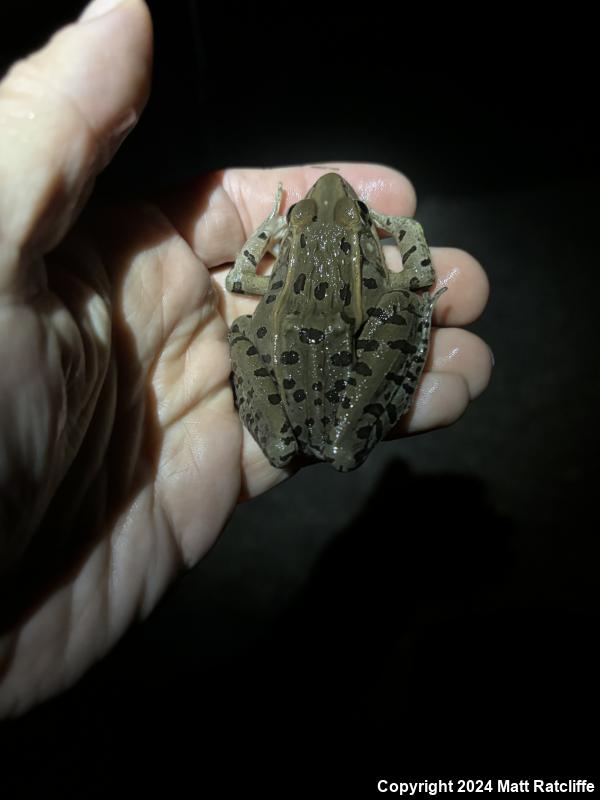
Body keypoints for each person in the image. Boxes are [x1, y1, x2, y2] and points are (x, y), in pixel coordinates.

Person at [0, 0, 492, 716]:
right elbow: (404, 279)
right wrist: (397, 263)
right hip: (339, 371)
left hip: (289, 372)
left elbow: (249, 277)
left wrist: (274, 234)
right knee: (402, 308)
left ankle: (303, 428)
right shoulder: (370, 255)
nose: (336, 209)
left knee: (260, 329)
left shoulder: (272, 261)